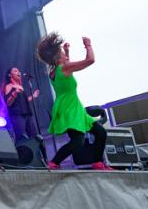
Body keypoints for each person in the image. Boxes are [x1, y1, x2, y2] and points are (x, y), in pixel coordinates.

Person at [36, 32, 112, 170]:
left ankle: (98, 163)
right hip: (70, 108)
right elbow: (90, 60)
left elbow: (66, 65)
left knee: (100, 132)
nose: (66, 56)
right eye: (63, 54)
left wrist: (67, 51)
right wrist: (88, 45)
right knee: (78, 141)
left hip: (70, 107)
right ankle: (54, 163)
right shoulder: (64, 68)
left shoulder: (54, 71)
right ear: (58, 57)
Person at [3, 67, 40, 141]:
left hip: (27, 114)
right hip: (17, 115)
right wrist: (14, 94)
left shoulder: (20, 86)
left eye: (19, 71)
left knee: (34, 136)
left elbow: (22, 101)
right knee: (21, 137)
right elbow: (8, 103)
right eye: (15, 71)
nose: (18, 72)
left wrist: (33, 96)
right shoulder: (9, 86)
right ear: (10, 75)